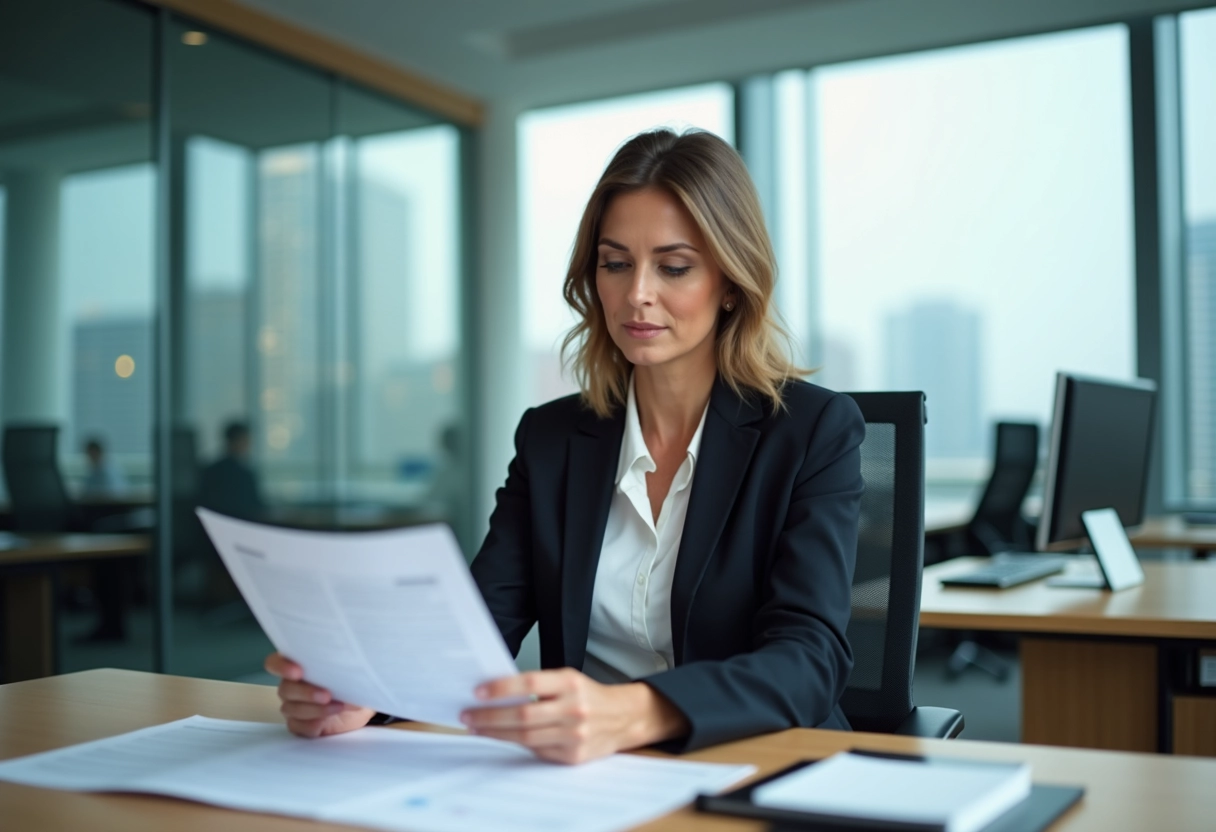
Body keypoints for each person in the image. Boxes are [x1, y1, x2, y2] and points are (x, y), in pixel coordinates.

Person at [267, 129, 864, 764]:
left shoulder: (812, 431)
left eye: (674, 266)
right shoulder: (551, 439)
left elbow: (809, 660)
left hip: (755, 764)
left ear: (730, 283)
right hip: (587, 779)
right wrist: (369, 692)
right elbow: (476, 629)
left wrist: (635, 711)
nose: (637, 293)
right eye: (615, 263)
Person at [198, 421, 264, 521]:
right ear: (234, 441)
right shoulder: (244, 475)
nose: (248, 445)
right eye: (245, 441)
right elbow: (254, 507)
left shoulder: (209, 470)